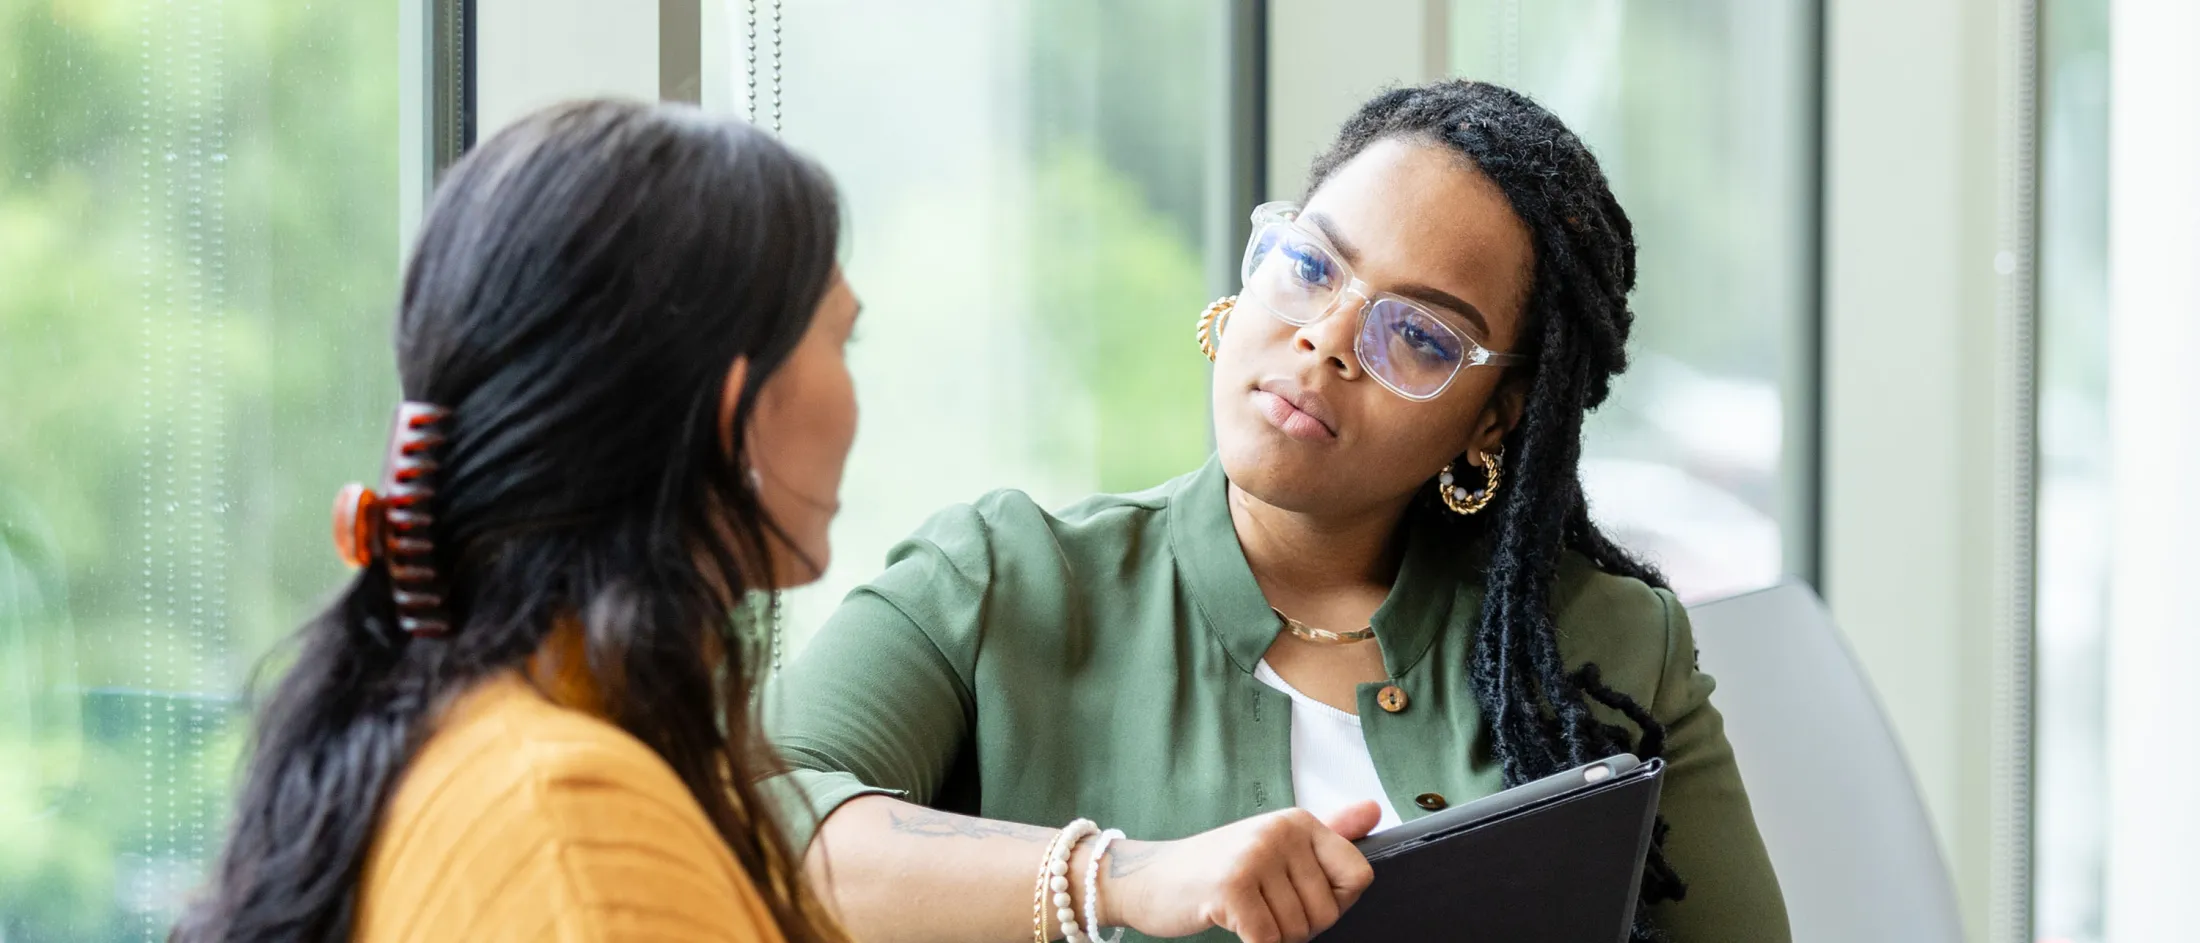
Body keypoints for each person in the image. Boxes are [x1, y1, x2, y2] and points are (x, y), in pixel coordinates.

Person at [767, 80, 1790, 943]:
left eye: (1421, 337)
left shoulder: (1606, 639)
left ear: (1494, 420)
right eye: (1309, 267)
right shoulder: (999, 578)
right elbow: (740, 822)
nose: (1328, 341)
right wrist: (1120, 875)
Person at [173, 100, 861, 943]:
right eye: (842, 341)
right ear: (737, 410)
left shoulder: (515, 751)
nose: (857, 397)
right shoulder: (578, 838)